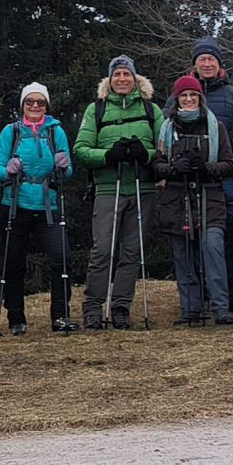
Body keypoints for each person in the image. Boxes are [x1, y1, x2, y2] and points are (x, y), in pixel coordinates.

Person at [75, 55, 161, 329]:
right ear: (109, 80)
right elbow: (81, 149)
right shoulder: (96, 110)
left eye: (127, 74)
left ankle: (121, 306)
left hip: (141, 187)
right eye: (117, 75)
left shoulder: (151, 109)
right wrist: (108, 156)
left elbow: (164, 147)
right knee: (102, 250)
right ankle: (92, 307)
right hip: (108, 187)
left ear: (135, 79)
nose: (122, 79)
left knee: (132, 251)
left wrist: (145, 154)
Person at [0, 81, 77, 335]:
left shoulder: (55, 131)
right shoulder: (11, 131)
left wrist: (64, 166)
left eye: (40, 102)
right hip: (16, 204)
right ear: (22, 106)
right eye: (30, 102)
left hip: (47, 204)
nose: (35, 106)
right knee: (14, 263)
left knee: (62, 259)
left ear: (46, 105)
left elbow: (68, 169)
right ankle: (16, 319)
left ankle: (60, 316)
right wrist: (7, 170)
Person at [152, 74, 233, 326]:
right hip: (176, 199)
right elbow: (157, 165)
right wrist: (173, 168)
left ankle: (221, 306)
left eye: (193, 95)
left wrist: (207, 167)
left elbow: (229, 165)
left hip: (209, 196)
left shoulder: (216, 127)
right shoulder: (167, 129)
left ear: (201, 98)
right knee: (183, 253)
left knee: (212, 248)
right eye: (183, 96)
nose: (188, 99)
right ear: (176, 99)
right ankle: (190, 308)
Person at [192, 37, 233, 311]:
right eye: (202, 60)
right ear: (194, 64)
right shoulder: (181, 96)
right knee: (198, 235)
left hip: (228, 179)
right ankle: (204, 292)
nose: (207, 64)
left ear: (219, 63)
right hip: (194, 180)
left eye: (211, 59)